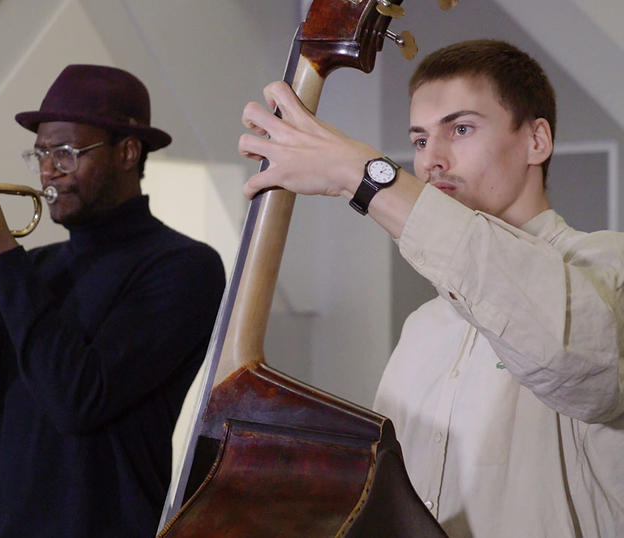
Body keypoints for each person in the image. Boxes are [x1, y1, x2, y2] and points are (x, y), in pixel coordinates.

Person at [239, 40, 624, 536]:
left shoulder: (607, 269)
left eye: (460, 129)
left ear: (537, 141)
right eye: (419, 141)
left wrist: (363, 176)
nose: (431, 162)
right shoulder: (423, 328)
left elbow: (578, 366)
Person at [0, 65, 225, 537]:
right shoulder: (38, 267)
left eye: (67, 152)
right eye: (40, 153)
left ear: (128, 152)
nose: (48, 169)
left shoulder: (184, 267)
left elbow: (79, 400)